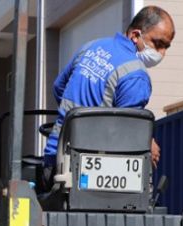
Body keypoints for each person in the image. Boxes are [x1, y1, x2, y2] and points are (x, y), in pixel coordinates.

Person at [43, 6, 175, 170]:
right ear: (135, 35)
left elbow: (58, 87)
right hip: (94, 170)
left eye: (166, 47)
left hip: (54, 156)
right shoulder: (136, 74)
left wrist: (74, 118)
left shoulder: (92, 47)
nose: (161, 52)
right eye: (158, 43)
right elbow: (128, 128)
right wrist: (148, 141)